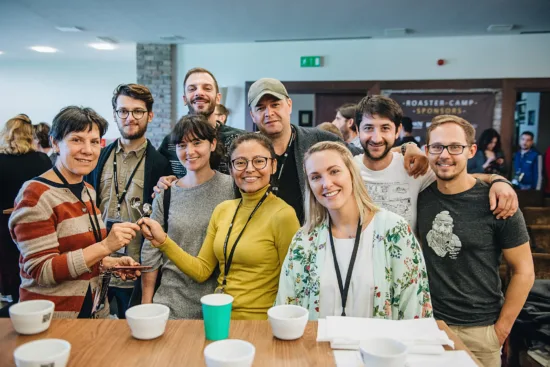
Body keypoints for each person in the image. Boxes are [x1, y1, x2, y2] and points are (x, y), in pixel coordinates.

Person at [139, 133, 300, 320]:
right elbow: (201, 271)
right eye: (240, 162)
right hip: (218, 316)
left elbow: (292, 284)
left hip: (258, 322)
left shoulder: (283, 215)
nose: (249, 169)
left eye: (258, 161)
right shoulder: (224, 210)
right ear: (231, 170)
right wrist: (163, 241)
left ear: (273, 166)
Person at [417, 115, 534, 367]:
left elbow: (524, 271)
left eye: (455, 147)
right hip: (428, 326)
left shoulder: (498, 203)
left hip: (480, 331)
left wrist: (500, 331)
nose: (445, 155)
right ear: (427, 151)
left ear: (471, 151)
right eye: (437, 147)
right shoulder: (421, 197)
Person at [9, 106, 142, 319]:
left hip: (92, 314)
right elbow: (43, 270)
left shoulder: (87, 190)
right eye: (77, 140)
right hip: (52, 319)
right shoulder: (36, 194)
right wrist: (106, 246)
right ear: (55, 143)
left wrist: (109, 262)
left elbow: (80, 254)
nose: (88, 150)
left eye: (94, 142)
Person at [276, 141, 432, 320]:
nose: (326, 183)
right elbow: (286, 308)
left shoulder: (395, 231)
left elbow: (415, 312)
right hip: (317, 346)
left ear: (352, 173)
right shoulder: (304, 240)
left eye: (334, 171)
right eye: (315, 177)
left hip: (379, 347)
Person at [353, 95, 519, 233]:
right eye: (368, 128)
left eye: (385, 128)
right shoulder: (347, 169)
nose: (376, 138)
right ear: (357, 130)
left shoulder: (412, 167)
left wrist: (497, 180)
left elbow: (457, 179)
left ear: (397, 131)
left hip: (403, 269)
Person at [86, 84, 172, 318]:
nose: (130, 117)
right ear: (114, 114)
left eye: (138, 111)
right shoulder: (97, 157)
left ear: (149, 116)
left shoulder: (160, 164)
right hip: (98, 263)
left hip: (135, 268)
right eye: (123, 111)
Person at [140, 115, 235, 319]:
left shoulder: (232, 188)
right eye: (182, 145)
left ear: (213, 144)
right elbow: (151, 251)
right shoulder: (166, 194)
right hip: (170, 304)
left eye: (197, 142)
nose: (189, 151)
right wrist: (146, 305)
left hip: (219, 303)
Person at [0, 114, 52, 304]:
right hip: (39, 223)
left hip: (5, 226)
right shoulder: (42, 160)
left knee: (11, 272)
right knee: (36, 268)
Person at [158, 68, 244, 177]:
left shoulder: (239, 139)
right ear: (184, 99)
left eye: (207, 88)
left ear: (218, 98)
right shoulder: (170, 142)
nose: (199, 92)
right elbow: (159, 178)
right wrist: (163, 182)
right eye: (192, 89)